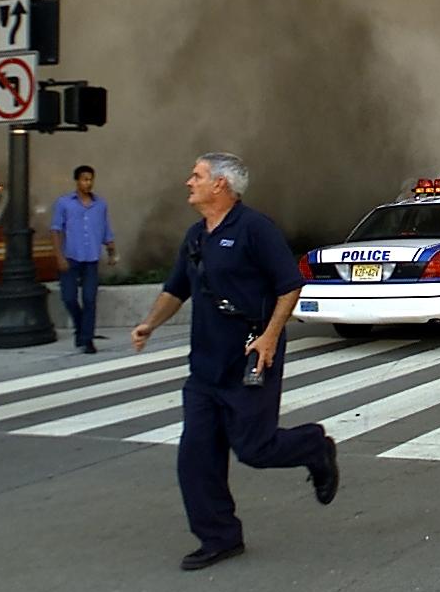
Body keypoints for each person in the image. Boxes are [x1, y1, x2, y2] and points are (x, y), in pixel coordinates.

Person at [131, 153, 339, 570]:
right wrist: (149, 324)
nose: (189, 181)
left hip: (249, 358)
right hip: (205, 368)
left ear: (221, 185)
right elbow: (176, 289)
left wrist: (269, 337)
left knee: (255, 448)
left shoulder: (255, 229)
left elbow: (289, 285)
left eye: (197, 175)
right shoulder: (195, 236)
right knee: (196, 457)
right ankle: (219, 537)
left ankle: (315, 447)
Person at [51, 164, 117, 354]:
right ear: (77, 181)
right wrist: (59, 256)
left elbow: (106, 230)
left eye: (90, 179)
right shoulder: (64, 203)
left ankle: (87, 339)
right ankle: (81, 329)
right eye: (84, 179)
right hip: (70, 257)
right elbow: (56, 230)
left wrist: (112, 252)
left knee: (89, 299)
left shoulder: (100, 205)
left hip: (91, 259)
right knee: (69, 298)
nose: (87, 183)